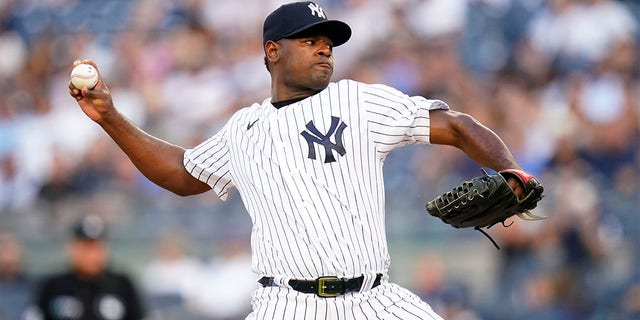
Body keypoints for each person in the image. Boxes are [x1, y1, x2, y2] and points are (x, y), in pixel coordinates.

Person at [68, 2, 535, 318]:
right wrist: (109, 116)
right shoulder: (243, 130)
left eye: (328, 41)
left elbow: (454, 124)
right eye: (309, 39)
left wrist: (513, 170)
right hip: (285, 304)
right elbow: (180, 173)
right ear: (273, 52)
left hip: (373, 299)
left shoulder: (358, 102)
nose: (324, 47)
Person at [31, 215, 145, 320]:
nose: (91, 255)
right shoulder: (53, 286)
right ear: (71, 248)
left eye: (95, 247)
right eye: (85, 247)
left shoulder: (122, 285)